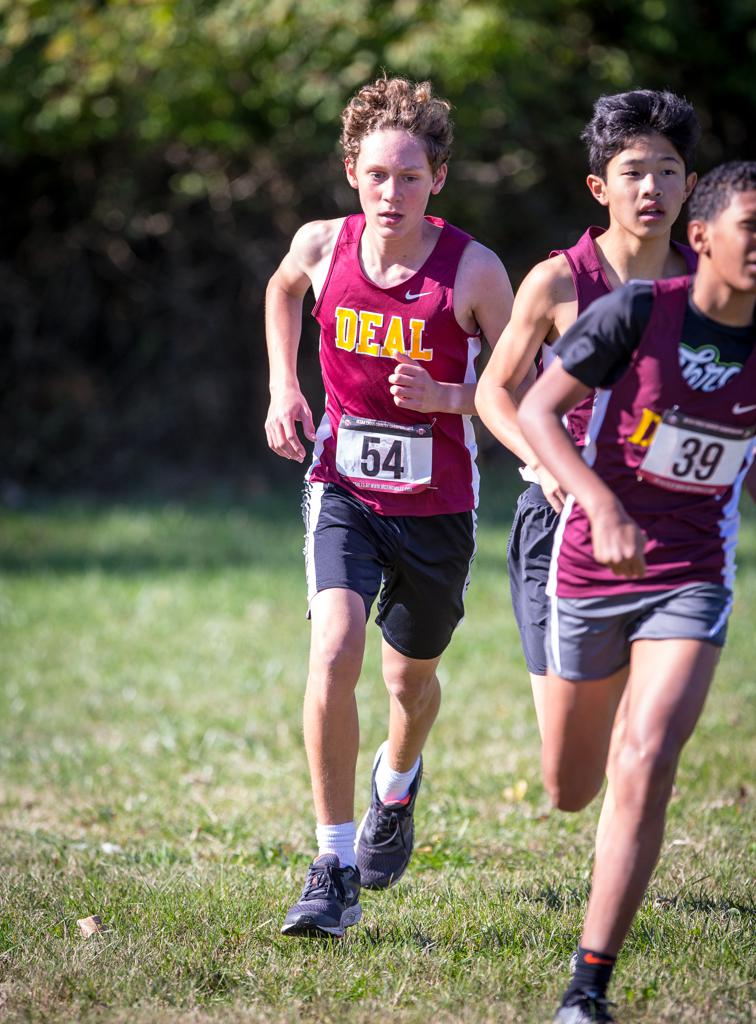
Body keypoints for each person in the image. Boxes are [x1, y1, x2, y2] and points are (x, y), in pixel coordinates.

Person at [264, 75, 514, 938]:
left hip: (438, 504)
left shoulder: (474, 271)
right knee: (332, 647)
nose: (391, 193)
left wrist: (451, 396)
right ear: (350, 173)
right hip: (343, 486)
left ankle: (396, 785)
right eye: (376, 175)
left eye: (410, 176)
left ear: (437, 180)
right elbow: (281, 290)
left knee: (410, 680)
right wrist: (281, 386)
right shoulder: (321, 244)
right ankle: (331, 864)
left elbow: (518, 385)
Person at [517, 160, 756, 1023]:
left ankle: (588, 985)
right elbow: (539, 411)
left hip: (690, 574)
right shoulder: (636, 311)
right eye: (752, 228)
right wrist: (600, 503)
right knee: (570, 788)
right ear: (703, 237)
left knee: (648, 759)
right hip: (591, 567)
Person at [476, 90, 699, 734]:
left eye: (666, 171)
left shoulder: (708, 285)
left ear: (690, 185)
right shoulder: (558, 283)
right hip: (560, 522)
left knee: (641, 735)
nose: (650, 188)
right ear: (600, 187)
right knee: (570, 741)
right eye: (632, 172)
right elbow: (495, 391)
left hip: (663, 527)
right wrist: (544, 465)